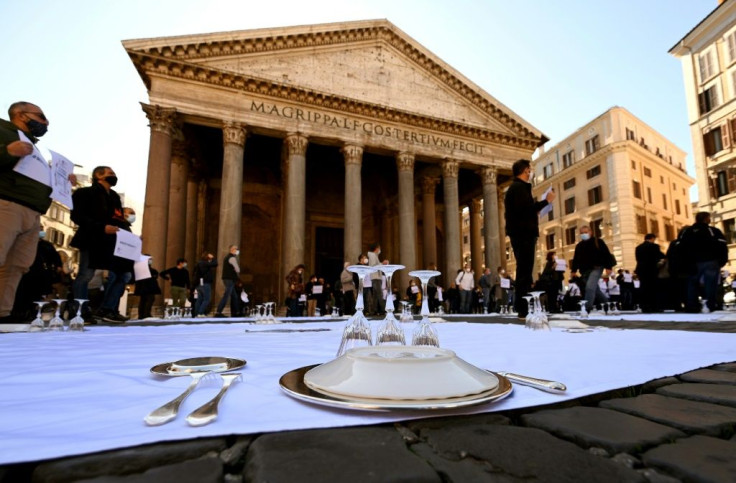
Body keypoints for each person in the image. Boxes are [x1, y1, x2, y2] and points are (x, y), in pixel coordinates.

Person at [0, 102, 71, 323]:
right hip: (8, 204)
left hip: (32, 212)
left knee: (17, 266)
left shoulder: (33, 146)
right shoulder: (5, 131)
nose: (46, 122)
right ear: (20, 115)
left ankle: (3, 314)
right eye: (41, 116)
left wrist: (61, 181)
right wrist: (7, 152)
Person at [504, 159, 556, 318]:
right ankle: (523, 308)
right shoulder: (519, 188)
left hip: (520, 232)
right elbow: (525, 211)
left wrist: (536, 210)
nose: (531, 172)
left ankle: (523, 307)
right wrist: (546, 201)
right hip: (524, 234)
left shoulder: (517, 188)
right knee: (524, 271)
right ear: (525, 171)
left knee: (524, 270)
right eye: (530, 169)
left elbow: (523, 211)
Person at [70, 166, 123, 320]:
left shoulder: (114, 196)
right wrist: (101, 227)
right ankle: (80, 310)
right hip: (91, 237)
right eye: (110, 173)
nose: (114, 175)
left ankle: (107, 309)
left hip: (110, 241)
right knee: (86, 275)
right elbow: (77, 216)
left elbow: (118, 218)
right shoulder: (84, 193)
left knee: (117, 275)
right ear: (98, 176)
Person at [679, 212, 728, 312]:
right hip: (710, 261)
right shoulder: (712, 231)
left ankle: (692, 306)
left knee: (692, 284)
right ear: (706, 219)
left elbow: (681, 248)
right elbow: (722, 245)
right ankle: (710, 305)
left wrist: (685, 262)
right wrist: (722, 260)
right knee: (710, 284)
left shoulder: (687, 232)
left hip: (692, 262)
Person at [571, 225, 615, 311]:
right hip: (584, 271)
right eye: (582, 233)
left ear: (590, 232)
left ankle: (587, 308)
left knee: (590, 287)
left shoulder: (598, 241)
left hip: (597, 268)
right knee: (595, 289)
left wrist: (608, 267)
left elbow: (606, 254)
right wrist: (573, 270)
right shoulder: (579, 246)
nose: (584, 234)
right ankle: (608, 304)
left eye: (586, 232)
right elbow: (576, 258)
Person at [635, 233, 665, 313]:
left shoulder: (638, 248)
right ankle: (654, 306)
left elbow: (638, 259)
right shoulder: (654, 246)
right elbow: (661, 256)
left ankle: (644, 306)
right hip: (651, 270)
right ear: (652, 238)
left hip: (641, 270)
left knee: (643, 288)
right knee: (653, 288)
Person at [215, 245, 241, 317]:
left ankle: (237, 312)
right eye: (236, 249)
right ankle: (218, 311)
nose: (237, 250)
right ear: (232, 250)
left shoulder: (227, 258)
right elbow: (238, 269)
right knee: (226, 295)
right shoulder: (232, 258)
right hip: (229, 279)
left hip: (227, 279)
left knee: (234, 296)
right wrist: (235, 270)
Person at [193, 251, 217, 317]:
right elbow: (215, 264)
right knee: (207, 299)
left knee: (199, 299)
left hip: (199, 284)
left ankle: (197, 313)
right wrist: (213, 258)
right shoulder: (204, 263)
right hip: (205, 283)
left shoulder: (199, 263)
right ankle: (200, 313)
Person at [366, 243, 384, 315]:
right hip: (375, 277)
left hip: (376, 277)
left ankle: (374, 310)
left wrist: (381, 264)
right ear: (376, 249)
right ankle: (383, 310)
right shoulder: (373, 255)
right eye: (379, 248)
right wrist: (382, 263)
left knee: (376, 295)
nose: (380, 250)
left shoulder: (374, 256)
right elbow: (373, 266)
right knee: (380, 294)